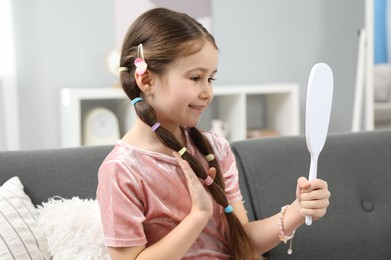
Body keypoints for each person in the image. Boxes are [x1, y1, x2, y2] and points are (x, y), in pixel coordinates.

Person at [96, 7, 330, 260]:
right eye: (196, 77)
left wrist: (297, 211)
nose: (207, 92)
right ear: (147, 80)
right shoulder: (121, 170)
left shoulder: (215, 147)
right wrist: (198, 215)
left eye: (211, 79)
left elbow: (244, 243)